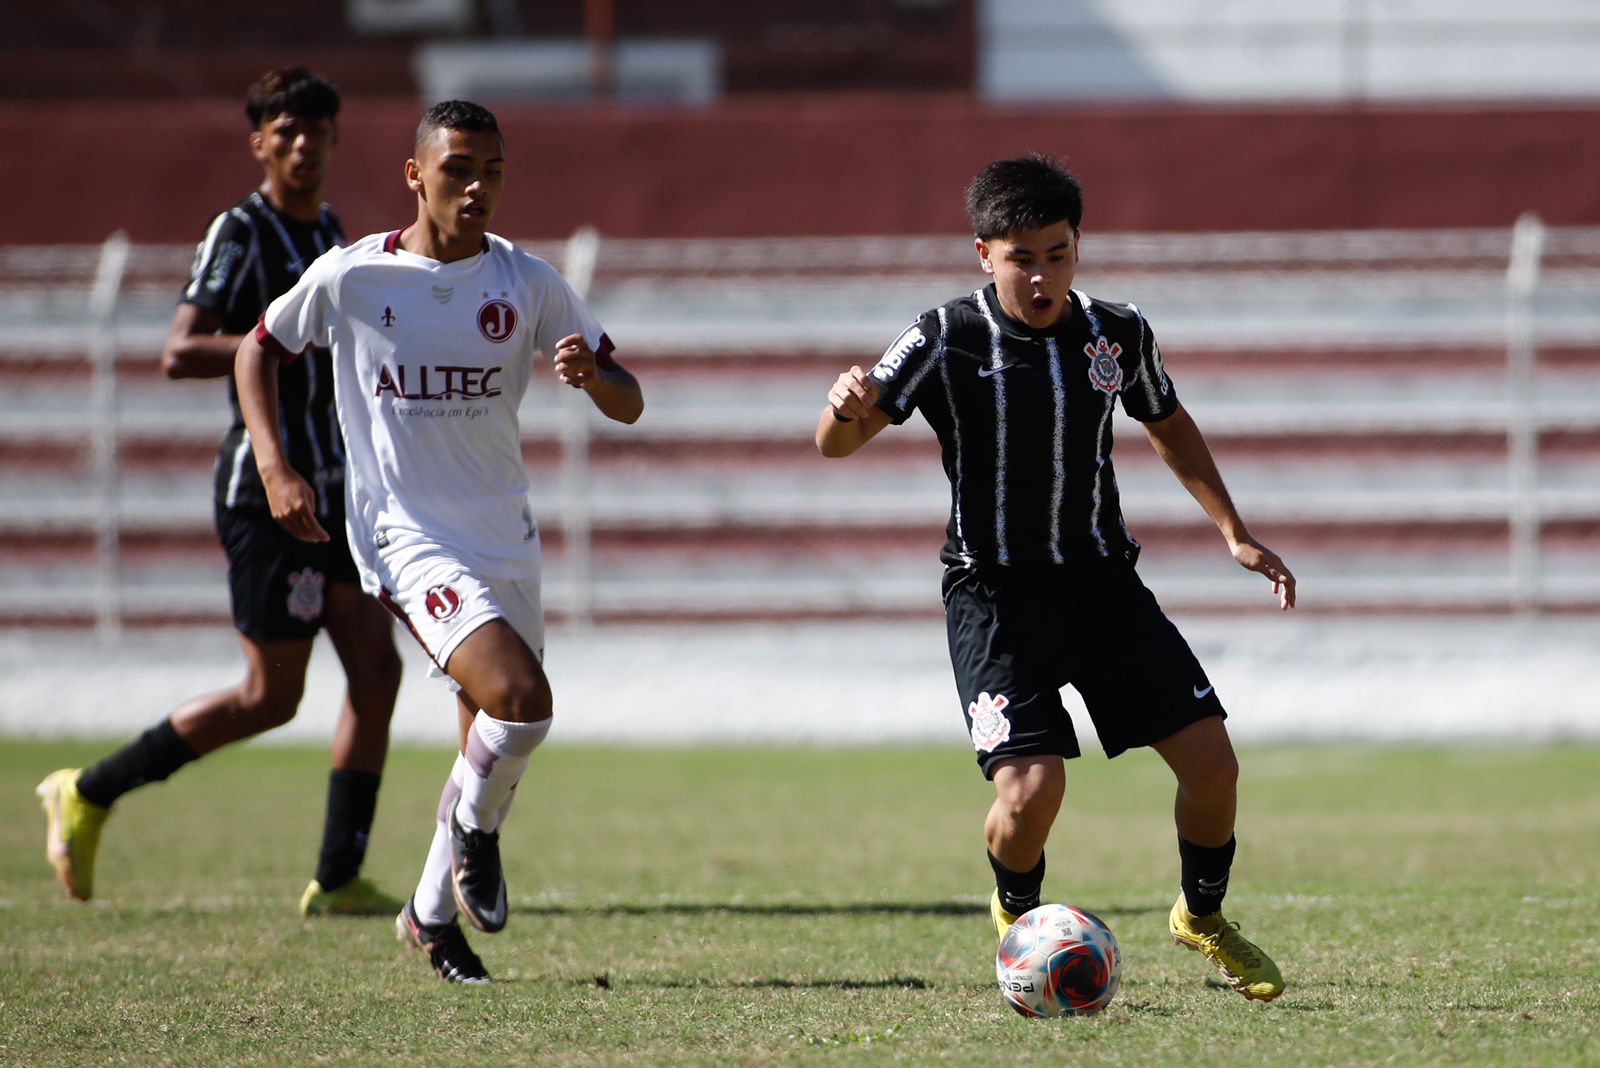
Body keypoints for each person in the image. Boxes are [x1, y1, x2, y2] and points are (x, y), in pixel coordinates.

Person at [815, 154, 1294, 1002]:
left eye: (1058, 254)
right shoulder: (942, 335)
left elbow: (1168, 422)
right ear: (983, 253)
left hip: (1103, 587)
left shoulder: (1116, 333)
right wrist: (841, 410)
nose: (1041, 276)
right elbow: (837, 442)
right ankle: (1019, 918)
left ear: (1079, 247)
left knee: (1214, 766)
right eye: (1021, 257)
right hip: (994, 595)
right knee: (1034, 791)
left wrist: (1235, 532)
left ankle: (1202, 917)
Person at [233, 99, 643, 983]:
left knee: (488, 743)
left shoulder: (526, 281)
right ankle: (473, 838)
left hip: (504, 534)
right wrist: (274, 466)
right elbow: (258, 349)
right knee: (523, 701)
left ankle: (429, 919)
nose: (478, 186)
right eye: (459, 167)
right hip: (404, 536)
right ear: (416, 175)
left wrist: (591, 375)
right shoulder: (354, 276)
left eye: (493, 169)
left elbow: (628, 394)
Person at [36, 67, 405, 917]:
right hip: (267, 493)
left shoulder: (336, 234)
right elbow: (180, 349)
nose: (303, 145)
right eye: (286, 132)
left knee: (376, 671)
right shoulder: (240, 232)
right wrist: (273, 339)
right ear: (260, 143)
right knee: (271, 697)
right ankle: (89, 789)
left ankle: (340, 876)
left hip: (336, 493)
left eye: (316, 130)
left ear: (336, 139)